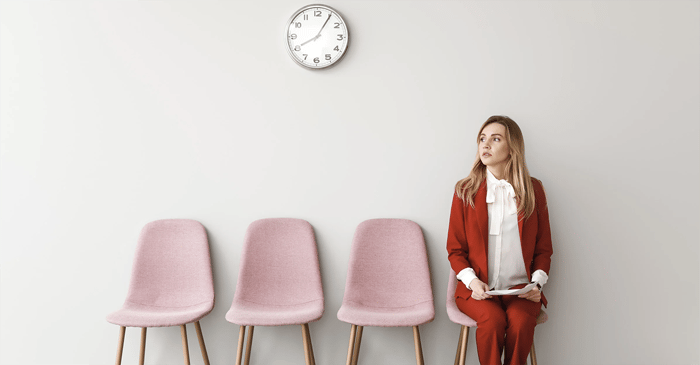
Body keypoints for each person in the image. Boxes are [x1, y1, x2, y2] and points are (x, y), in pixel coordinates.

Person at [446, 115, 553, 365]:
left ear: (512, 147)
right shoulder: (465, 191)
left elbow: (543, 249)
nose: (486, 145)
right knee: (492, 322)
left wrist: (536, 285)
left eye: (495, 139)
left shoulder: (534, 190)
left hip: (521, 291)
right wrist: (473, 282)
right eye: (482, 139)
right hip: (478, 291)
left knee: (521, 322)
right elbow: (455, 250)